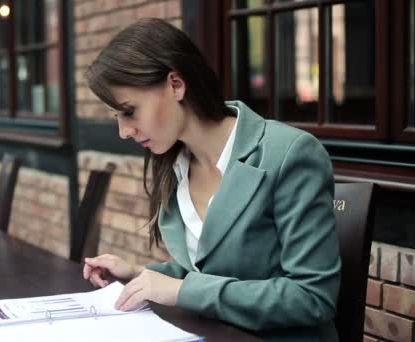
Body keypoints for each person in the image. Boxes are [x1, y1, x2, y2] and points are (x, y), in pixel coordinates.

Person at [82, 18, 341, 341]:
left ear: (176, 84)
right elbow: (213, 274)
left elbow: (311, 298)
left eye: (129, 111)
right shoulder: (175, 166)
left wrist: (182, 291)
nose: (124, 132)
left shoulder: (289, 154)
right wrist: (139, 273)